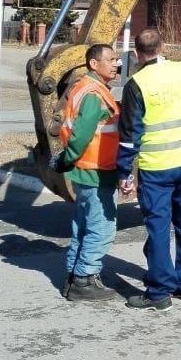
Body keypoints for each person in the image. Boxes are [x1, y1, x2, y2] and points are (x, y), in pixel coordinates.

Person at [116, 18, 181, 311]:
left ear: (137, 53)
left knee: (159, 229)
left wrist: (124, 173)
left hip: (156, 169)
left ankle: (159, 293)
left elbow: (129, 136)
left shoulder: (136, 85)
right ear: (162, 47)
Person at [54, 43, 122, 302]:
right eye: (111, 59)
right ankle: (84, 280)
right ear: (94, 63)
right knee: (102, 228)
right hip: (97, 171)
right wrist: (67, 158)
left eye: (116, 59)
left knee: (82, 227)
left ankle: (73, 277)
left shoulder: (83, 87)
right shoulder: (94, 94)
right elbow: (82, 135)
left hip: (84, 171)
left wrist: (68, 161)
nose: (116, 64)